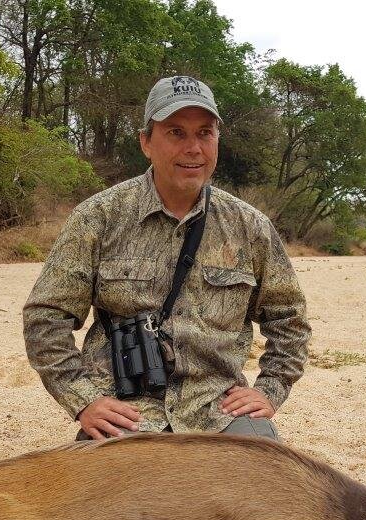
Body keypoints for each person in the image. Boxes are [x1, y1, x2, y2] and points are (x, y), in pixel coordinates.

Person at [23, 75, 311, 443]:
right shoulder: (98, 218)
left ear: (217, 141)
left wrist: (269, 390)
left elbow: (290, 321)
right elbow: (44, 316)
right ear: (146, 142)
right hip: (126, 414)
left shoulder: (251, 227)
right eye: (176, 132)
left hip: (220, 412)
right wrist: (84, 400)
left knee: (268, 487)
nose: (193, 148)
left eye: (205, 133)